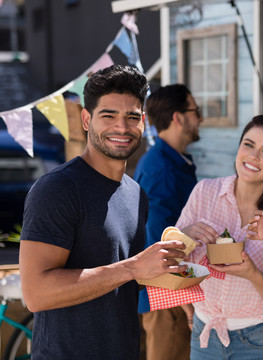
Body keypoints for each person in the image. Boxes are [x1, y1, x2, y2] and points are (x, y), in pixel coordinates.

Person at [19, 65, 190, 360]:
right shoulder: (57, 189)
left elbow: (122, 282)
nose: (121, 128)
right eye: (108, 115)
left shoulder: (136, 194)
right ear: (86, 120)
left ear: (143, 122)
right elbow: (36, 294)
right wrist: (133, 267)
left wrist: (180, 280)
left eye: (132, 117)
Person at [175, 115, 263, 359]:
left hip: (260, 343)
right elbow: (172, 264)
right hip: (204, 337)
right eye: (248, 144)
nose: (253, 156)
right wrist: (183, 237)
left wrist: (253, 274)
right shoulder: (204, 192)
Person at [135, 84, 203, 360]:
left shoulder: (173, 160)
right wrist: (185, 302)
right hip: (169, 296)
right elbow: (159, 245)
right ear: (178, 118)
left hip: (176, 290)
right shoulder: (161, 170)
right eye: (195, 111)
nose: (200, 118)